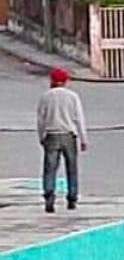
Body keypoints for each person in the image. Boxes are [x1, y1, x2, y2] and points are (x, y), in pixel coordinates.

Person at [36, 68, 88, 213]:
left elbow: (41, 120)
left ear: (51, 80)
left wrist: (41, 137)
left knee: (50, 169)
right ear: (66, 81)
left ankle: (49, 198)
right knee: (71, 168)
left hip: (51, 134)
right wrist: (83, 138)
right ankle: (72, 198)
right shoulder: (72, 96)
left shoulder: (45, 97)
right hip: (69, 134)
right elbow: (79, 118)